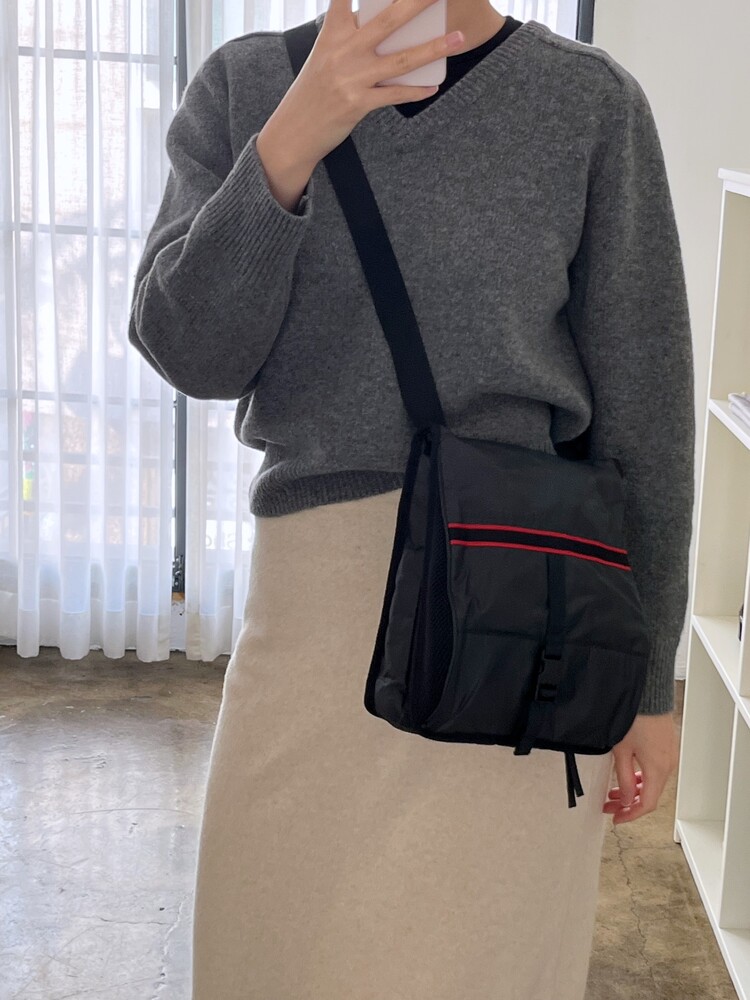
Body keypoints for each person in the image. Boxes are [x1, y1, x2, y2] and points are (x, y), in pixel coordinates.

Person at [128, 0, 694, 996]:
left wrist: (648, 683)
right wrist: (292, 141)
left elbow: (646, 414)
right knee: (274, 958)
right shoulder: (247, 86)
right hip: (310, 625)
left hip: (516, 631)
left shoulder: (590, 105)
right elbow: (189, 351)